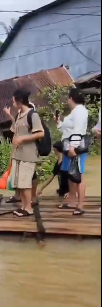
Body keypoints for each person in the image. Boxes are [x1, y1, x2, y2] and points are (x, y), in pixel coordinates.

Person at [4, 89, 44, 217]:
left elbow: (40, 133)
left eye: (14, 100)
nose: (13, 102)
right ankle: (23, 206)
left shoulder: (32, 115)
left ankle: (28, 208)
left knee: (25, 183)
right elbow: (15, 131)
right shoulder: (19, 115)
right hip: (17, 155)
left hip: (28, 155)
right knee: (19, 183)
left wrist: (23, 139)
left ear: (19, 100)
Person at [56, 87, 88, 215]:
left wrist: (73, 147)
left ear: (71, 98)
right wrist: (59, 123)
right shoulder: (74, 112)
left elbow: (78, 130)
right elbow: (67, 129)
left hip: (75, 147)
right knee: (71, 174)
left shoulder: (80, 111)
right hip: (69, 145)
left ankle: (80, 205)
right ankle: (72, 202)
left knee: (79, 175)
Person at [4, 99, 38, 204]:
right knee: (18, 176)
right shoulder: (20, 117)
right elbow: (15, 127)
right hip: (19, 151)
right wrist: (9, 115)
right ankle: (20, 198)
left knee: (30, 177)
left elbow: (39, 135)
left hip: (28, 153)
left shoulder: (32, 117)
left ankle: (31, 200)